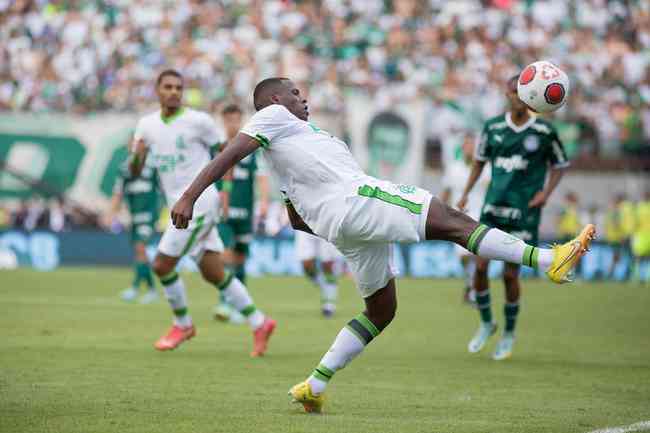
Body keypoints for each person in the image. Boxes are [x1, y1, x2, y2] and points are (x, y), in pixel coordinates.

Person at [171, 77, 595, 413]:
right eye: (295, 92)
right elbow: (232, 152)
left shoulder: (297, 147)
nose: (303, 98)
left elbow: (296, 220)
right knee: (453, 220)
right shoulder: (272, 118)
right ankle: (546, 259)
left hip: (344, 226)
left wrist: (338, 228)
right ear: (275, 99)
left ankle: (314, 386)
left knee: (382, 310)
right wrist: (190, 195)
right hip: (357, 201)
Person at [129, 69, 275, 356]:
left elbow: (227, 153)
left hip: (199, 203)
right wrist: (136, 157)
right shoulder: (146, 125)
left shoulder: (199, 121)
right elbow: (135, 170)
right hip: (178, 206)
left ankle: (182, 324)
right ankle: (260, 322)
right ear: (157, 90)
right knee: (213, 272)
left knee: (161, 265)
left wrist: (224, 192)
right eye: (167, 87)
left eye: (178, 87)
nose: (173, 91)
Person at [457, 75, 571, 362]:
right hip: (493, 207)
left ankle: (508, 333)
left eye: (521, 93)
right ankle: (486, 323)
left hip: (524, 212)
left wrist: (545, 193)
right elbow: (479, 163)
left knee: (510, 274)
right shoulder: (492, 127)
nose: (517, 97)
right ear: (508, 94)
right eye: (513, 92)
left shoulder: (544, 131)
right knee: (480, 268)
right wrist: (466, 193)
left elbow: (561, 164)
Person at [211, 104, 271, 323]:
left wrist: (264, 202)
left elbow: (262, 177)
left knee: (240, 258)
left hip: (245, 211)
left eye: (236, 119)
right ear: (223, 121)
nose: (233, 124)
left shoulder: (252, 147)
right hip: (223, 211)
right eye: (229, 120)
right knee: (225, 254)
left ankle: (241, 305)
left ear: (241, 120)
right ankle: (224, 301)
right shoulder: (217, 147)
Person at [440, 133, 489, 305]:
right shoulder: (453, 168)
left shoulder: (486, 168)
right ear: (462, 148)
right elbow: (445, 191)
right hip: (458, 216)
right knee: (463, 256)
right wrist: (440, 212)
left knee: (477, 255)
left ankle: (476, 291)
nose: (470, 148)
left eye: (473, 145)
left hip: (479, 215)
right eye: (467, 145)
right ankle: (470, 283)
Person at [106, 161, 160, 304]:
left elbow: (163, 189)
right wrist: (111, 214)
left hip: (148, 217)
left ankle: (137, 288)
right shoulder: (125, 169)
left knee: (140, 248)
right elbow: (118, 193)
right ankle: (150, 290)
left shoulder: (152, 167)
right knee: (139, 253)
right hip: (133, 218)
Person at [295, 230, 341, 317]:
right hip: (304, 224)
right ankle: (326, 287)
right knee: (306, 264)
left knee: (327, 264)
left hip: (325, 223)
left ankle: (329, 304)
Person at [632, 191, 650, 285]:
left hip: (641, 235)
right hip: (642, 235)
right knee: (644, 257)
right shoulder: (639, 207)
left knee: (639, 257)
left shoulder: (638, 207)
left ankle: (638, 277)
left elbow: (634, 221)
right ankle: (642, 277)